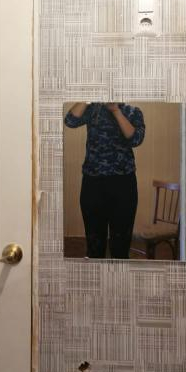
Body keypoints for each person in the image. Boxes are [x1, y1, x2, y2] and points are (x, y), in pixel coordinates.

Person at [64, 102, 145, 258]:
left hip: (123, 183)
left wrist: (115, 110)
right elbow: (70, 121)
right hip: (93, 183)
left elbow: (135, 139)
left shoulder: (133, 111)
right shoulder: (92, 109)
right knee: (94, 246)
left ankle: (118, 273)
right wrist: (87, 96)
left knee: (120, 247)